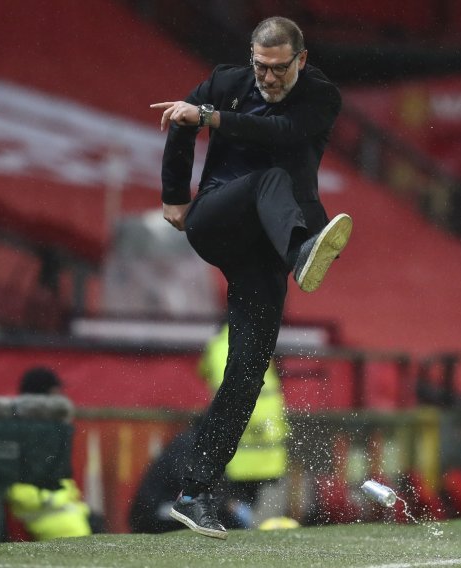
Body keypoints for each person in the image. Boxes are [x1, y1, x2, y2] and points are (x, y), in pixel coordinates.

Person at [150, 16, 352, 539]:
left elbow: (280, 131)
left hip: (263, 252)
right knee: (269, 178)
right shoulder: (227, 82)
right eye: (261, 66)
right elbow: (181, 120)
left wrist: (210, 117)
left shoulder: (321, 96)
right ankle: (305, 250)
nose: (269, 77)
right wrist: (174, 194)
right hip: (219, 217)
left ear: (301, 60)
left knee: (246, 373)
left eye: (280, 68)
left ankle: (194, 495)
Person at [197, 324, 290, 524]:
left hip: (249, 453)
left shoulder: (229, 345)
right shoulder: (241, 345)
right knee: (249, 522)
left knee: (246, 522)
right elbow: (237, 394)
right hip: (254, 453)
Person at [5, 368, 93, 541]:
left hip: (59, 510)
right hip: (49, 513)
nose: (61, 398)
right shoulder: (28, 428)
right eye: (56, 392)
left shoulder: (41, 426)